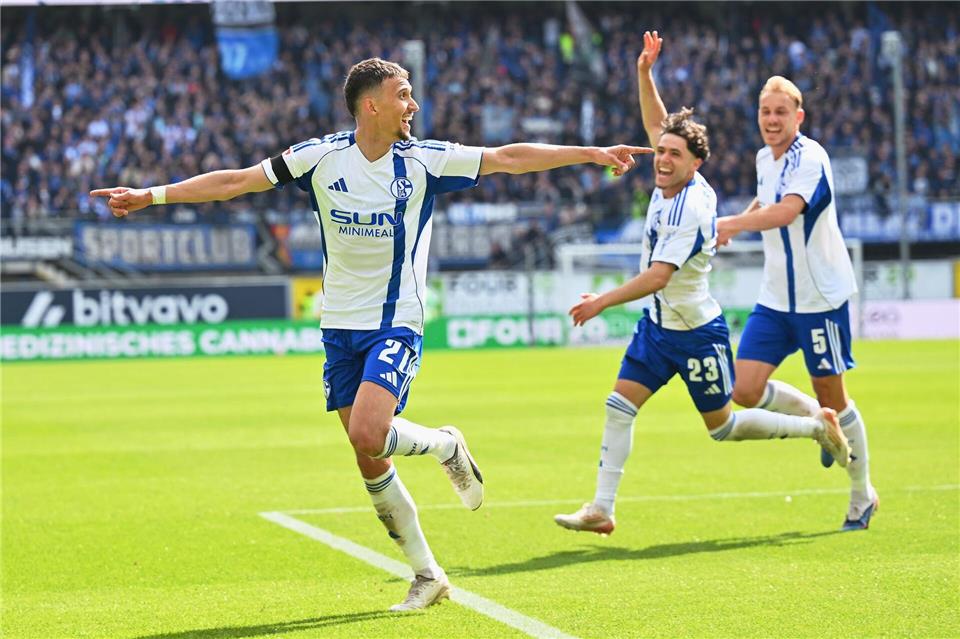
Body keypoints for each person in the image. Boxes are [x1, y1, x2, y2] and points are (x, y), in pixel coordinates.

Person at [91, 57, 651, 610]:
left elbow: (507, 157)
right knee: (370, 458)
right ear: (372, 104)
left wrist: (591, 153)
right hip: (339, 325)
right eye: (403, 93)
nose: (413, 104)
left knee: (367, 432)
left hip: (395, 320)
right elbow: (237, 181)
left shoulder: (426, 160)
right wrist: (152, 195)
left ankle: (444, 445)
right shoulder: (319, 157)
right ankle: (428, 574)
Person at [554, 32, 850, 536]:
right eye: (659, 152)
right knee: (618, 406)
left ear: (696, 163)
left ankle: (814, 427)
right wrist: (644, 72)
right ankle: (601, 509)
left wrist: (602, 301)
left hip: (694, 332)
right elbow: (657, 124)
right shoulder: (670, 175)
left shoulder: (692, 206)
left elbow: (659, 276)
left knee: (724, 428)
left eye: (672, 154)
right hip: (657, 329)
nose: (661, 158)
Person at [716, 75, 878, 531]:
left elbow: (787, 210)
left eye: (780, 112)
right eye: (765, 112)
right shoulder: (764, 159)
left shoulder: (812, 158)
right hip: (776, 298)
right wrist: (739, 222)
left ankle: (861, 495)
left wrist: (726, 221)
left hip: (819, 299)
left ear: (798, 117)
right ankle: (815, 420)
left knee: (836, 395)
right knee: (742, 388)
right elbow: (765, 201)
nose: (771, 120)